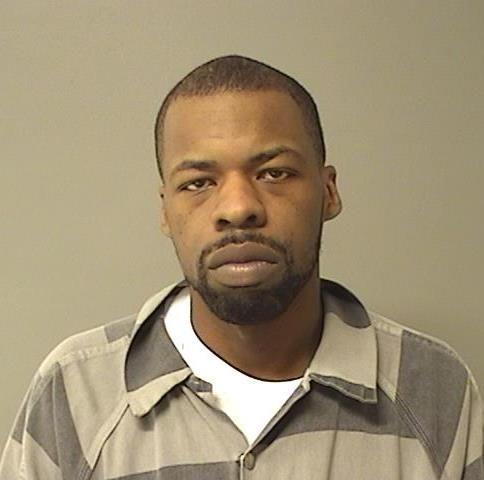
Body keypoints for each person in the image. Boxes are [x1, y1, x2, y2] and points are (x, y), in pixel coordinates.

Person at [1, 55, 482, 480]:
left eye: (274, 173)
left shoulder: (433, 388)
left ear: (328, 192)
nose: (238, 208)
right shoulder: (77, 393)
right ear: (165, 210)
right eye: (198, 182)